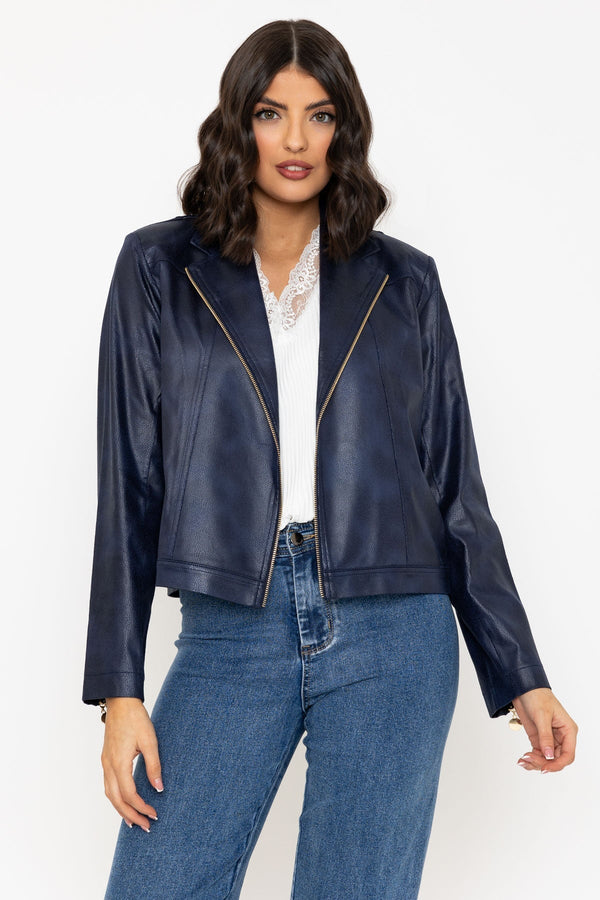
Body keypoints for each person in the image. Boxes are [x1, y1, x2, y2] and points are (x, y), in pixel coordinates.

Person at [82, 18, 578, 900]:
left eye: (320, 115)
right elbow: (128, 484)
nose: (296, 140)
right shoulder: (159, 269)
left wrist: (519, 674)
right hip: (231, 628)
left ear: (344, 128)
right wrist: (120, 692)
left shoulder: (405, 281)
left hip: (394, 626)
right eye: (271, 114)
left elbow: (455, 489)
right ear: (239, 123)